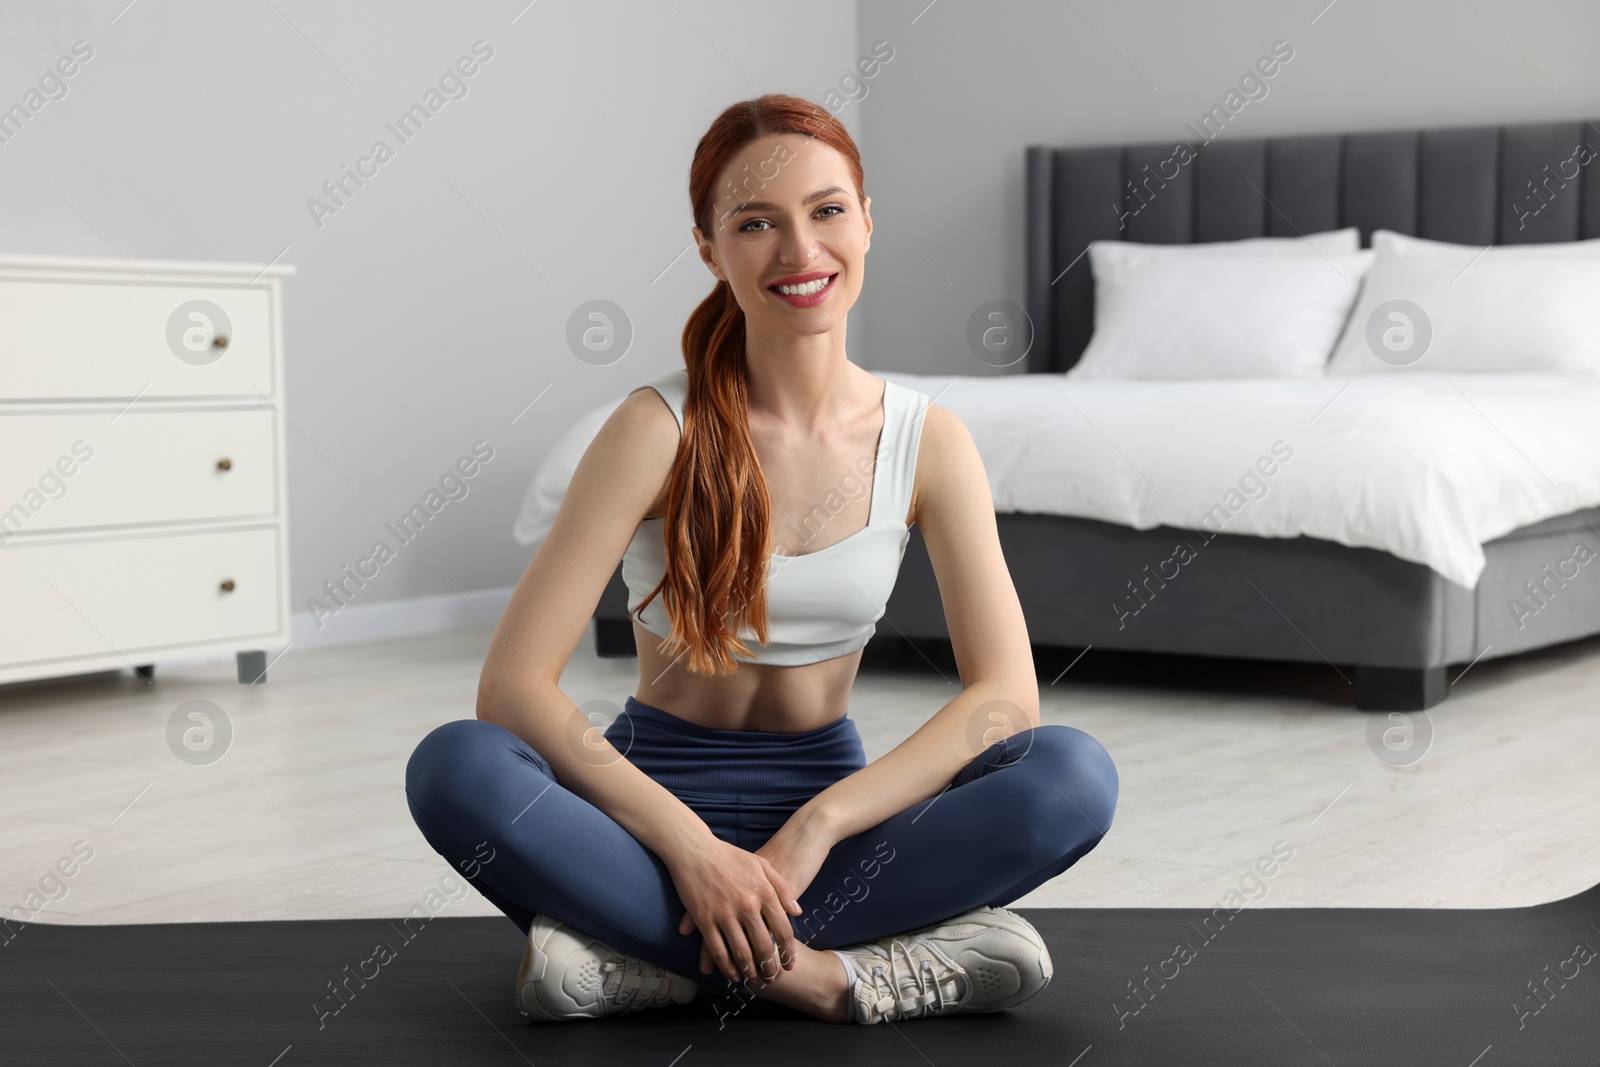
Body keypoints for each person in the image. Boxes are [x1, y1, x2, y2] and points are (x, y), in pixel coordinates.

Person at [405, 93, 1118, 1027]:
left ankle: (649, 961)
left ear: (867, 220)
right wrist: (693, 850)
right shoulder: (652, 428)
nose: (799, 250)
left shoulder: (930, 440)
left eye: (827, 211)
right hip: (643, 821)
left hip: (834, 826)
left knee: (1072, 774)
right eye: (755, 223)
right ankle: (832, 977)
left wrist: (820, 823)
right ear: (708, 248)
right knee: (455, 764)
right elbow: (513, 690)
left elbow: (1004, 700)